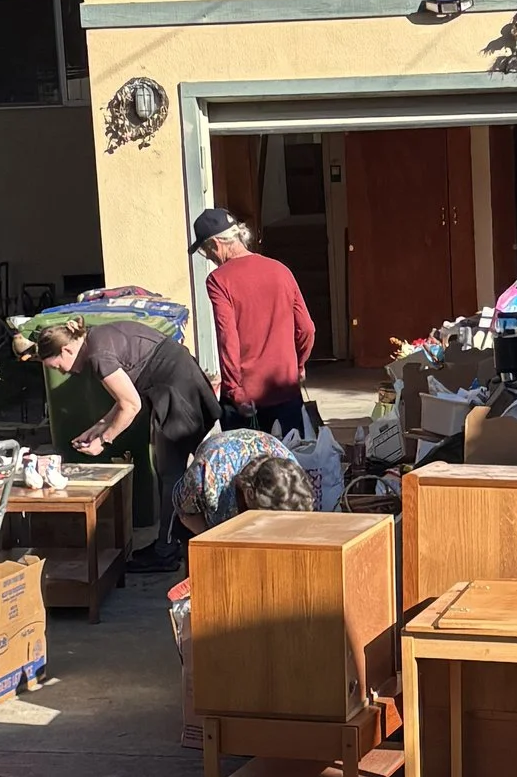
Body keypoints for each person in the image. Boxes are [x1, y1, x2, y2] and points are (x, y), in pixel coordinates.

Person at [34, 308, 217, 558]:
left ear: (66, 350)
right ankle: (175, 541)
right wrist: (98, 428)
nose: (63, 372)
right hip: (177, 382)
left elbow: (131, 406)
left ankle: (169, 548)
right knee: (171, 468)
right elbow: (124, 399)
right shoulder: (95, 341)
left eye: (58, 366)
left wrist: (104, 440)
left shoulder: (98, 356)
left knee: (171, 470)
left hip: (178, 391)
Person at [193, 206, 315, 432]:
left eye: (205, 251)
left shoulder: (219, 280)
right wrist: (298, 366)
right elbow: (307, 328)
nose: (208, 257)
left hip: (246, 399)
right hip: (286, 391)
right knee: (289, 462)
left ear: (215, 244)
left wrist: (234, 390)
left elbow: (227, 337)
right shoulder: (281, 270)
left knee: (244, 465)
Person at [175, 429, 316, 536]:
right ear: (249, 494)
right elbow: (185, 513)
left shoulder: (290, 470)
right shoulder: (206, 478)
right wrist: (214, 539)